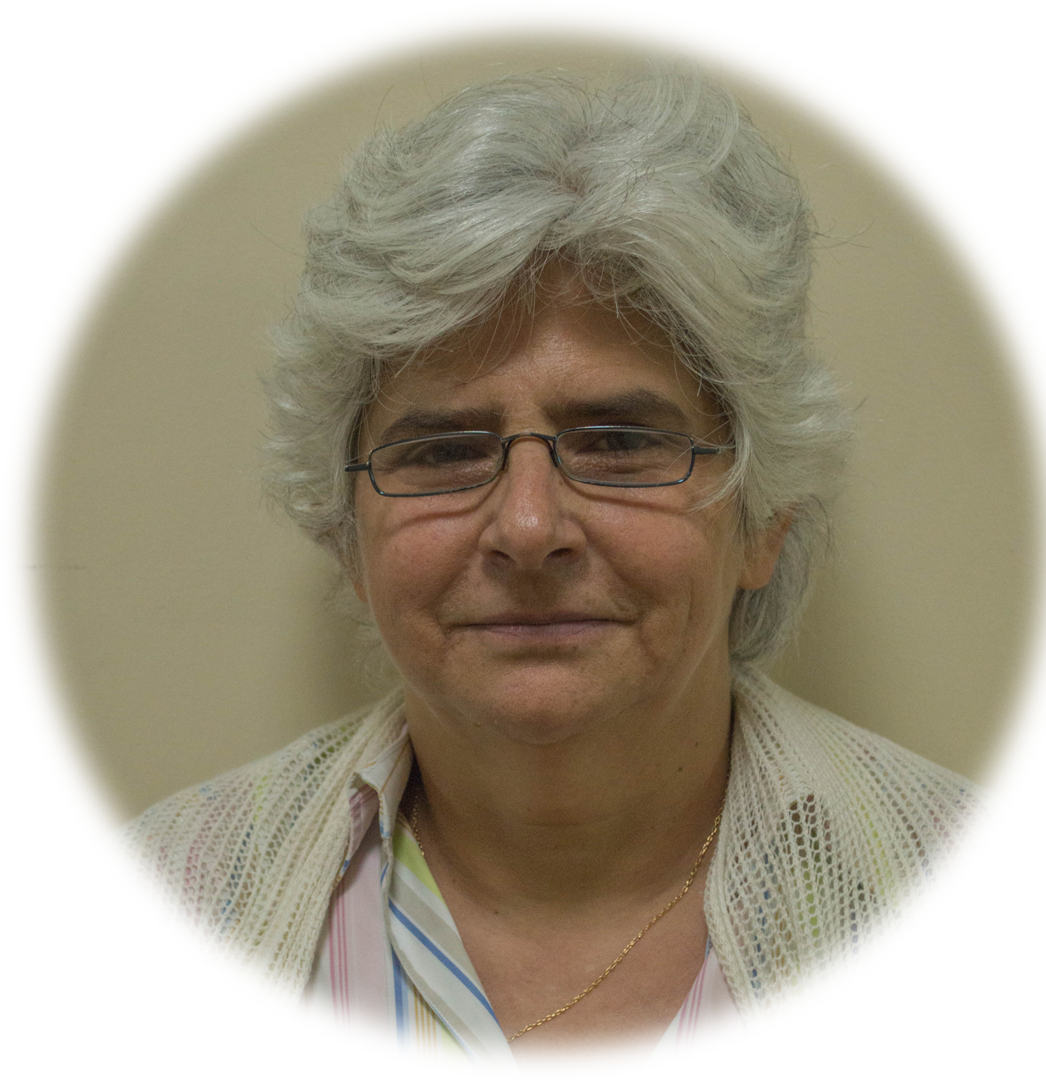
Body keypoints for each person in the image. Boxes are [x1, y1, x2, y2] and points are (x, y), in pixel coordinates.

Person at [93, 57, 1023, 1076]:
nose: (529, 527)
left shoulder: (986, 918)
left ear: (762, 518)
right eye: (443, 451)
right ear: (346, 534)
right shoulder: (139, 926)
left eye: (619, 442)